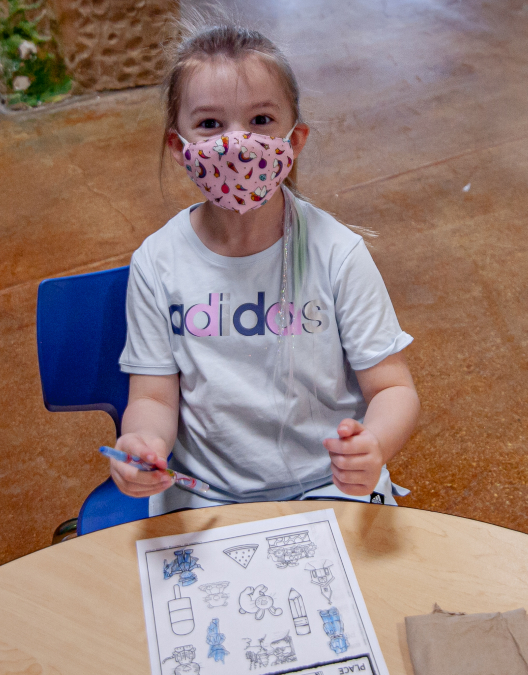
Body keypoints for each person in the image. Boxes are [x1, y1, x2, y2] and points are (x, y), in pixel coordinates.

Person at [110, 18, 420, 516]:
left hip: (328, 488)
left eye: (260, 121)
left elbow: (393, 388)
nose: (238, 144)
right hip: (203, 497)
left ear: (293, 141)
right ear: (178, 147)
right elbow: (154, 398)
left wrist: (374, 444)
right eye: (210, 124)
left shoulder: (337, 253)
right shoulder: (156, 263)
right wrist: (141, 443)